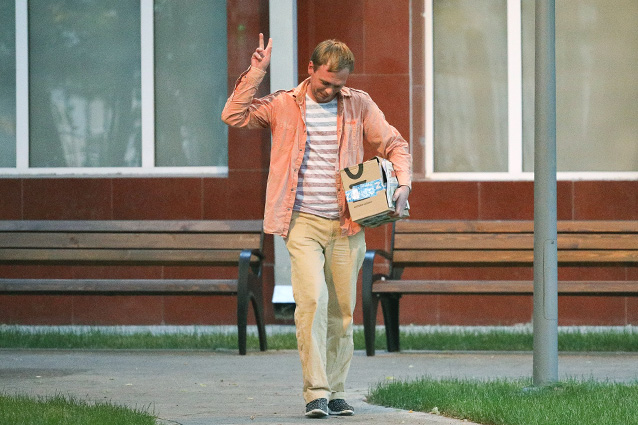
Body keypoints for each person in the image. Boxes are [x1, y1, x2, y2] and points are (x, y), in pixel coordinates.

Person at [221, 34, 412, 418]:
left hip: (347, 225)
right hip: (301, 222)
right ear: (310, 69)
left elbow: (394, 144)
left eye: (337, 85)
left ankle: (337, 391)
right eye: (325, 82)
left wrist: (403, 184)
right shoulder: (283, 104)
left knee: (341, 312)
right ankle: (316, 394)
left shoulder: (358, 104)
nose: (330, 91)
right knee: (312, 302)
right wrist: (257, 70)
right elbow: (234, 115)